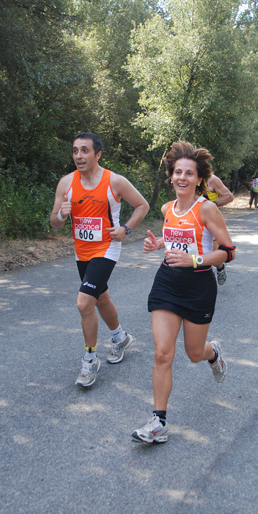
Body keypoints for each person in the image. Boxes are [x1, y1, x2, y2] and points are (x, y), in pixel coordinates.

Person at [132, 141, 235, 444]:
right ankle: (158, 421)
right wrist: (159, 244)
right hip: (167, 283)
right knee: (163, 353)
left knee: (193, 354)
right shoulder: (167, 208)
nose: (182, 178)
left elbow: (229, 252)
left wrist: (194, 260)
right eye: (178, 172)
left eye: (189, 173)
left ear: (199, 179)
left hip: (199, 286)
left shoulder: (207, 209)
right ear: (171, 175)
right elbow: (175, 237)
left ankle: (213, 354)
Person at [50, 132, 149, 387]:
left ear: (98, 154)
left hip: (107, 248)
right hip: (81, 251)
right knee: (101, 297)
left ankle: (90, 359)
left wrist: (125, 229)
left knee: (85, 304)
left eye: (85, 150)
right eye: (75, 151)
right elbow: (55, 224)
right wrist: (61, 215)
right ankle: (120, 337)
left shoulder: (114, 181)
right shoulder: (66, 183)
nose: (79, 156)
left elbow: (142, 205)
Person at [204, 174, 234, 285]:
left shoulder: (212, 179)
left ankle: (220, 267)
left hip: (211, 219)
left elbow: (229, 196)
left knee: (213, 252)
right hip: (192, 219)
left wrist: (213, 204)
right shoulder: (189, 177)